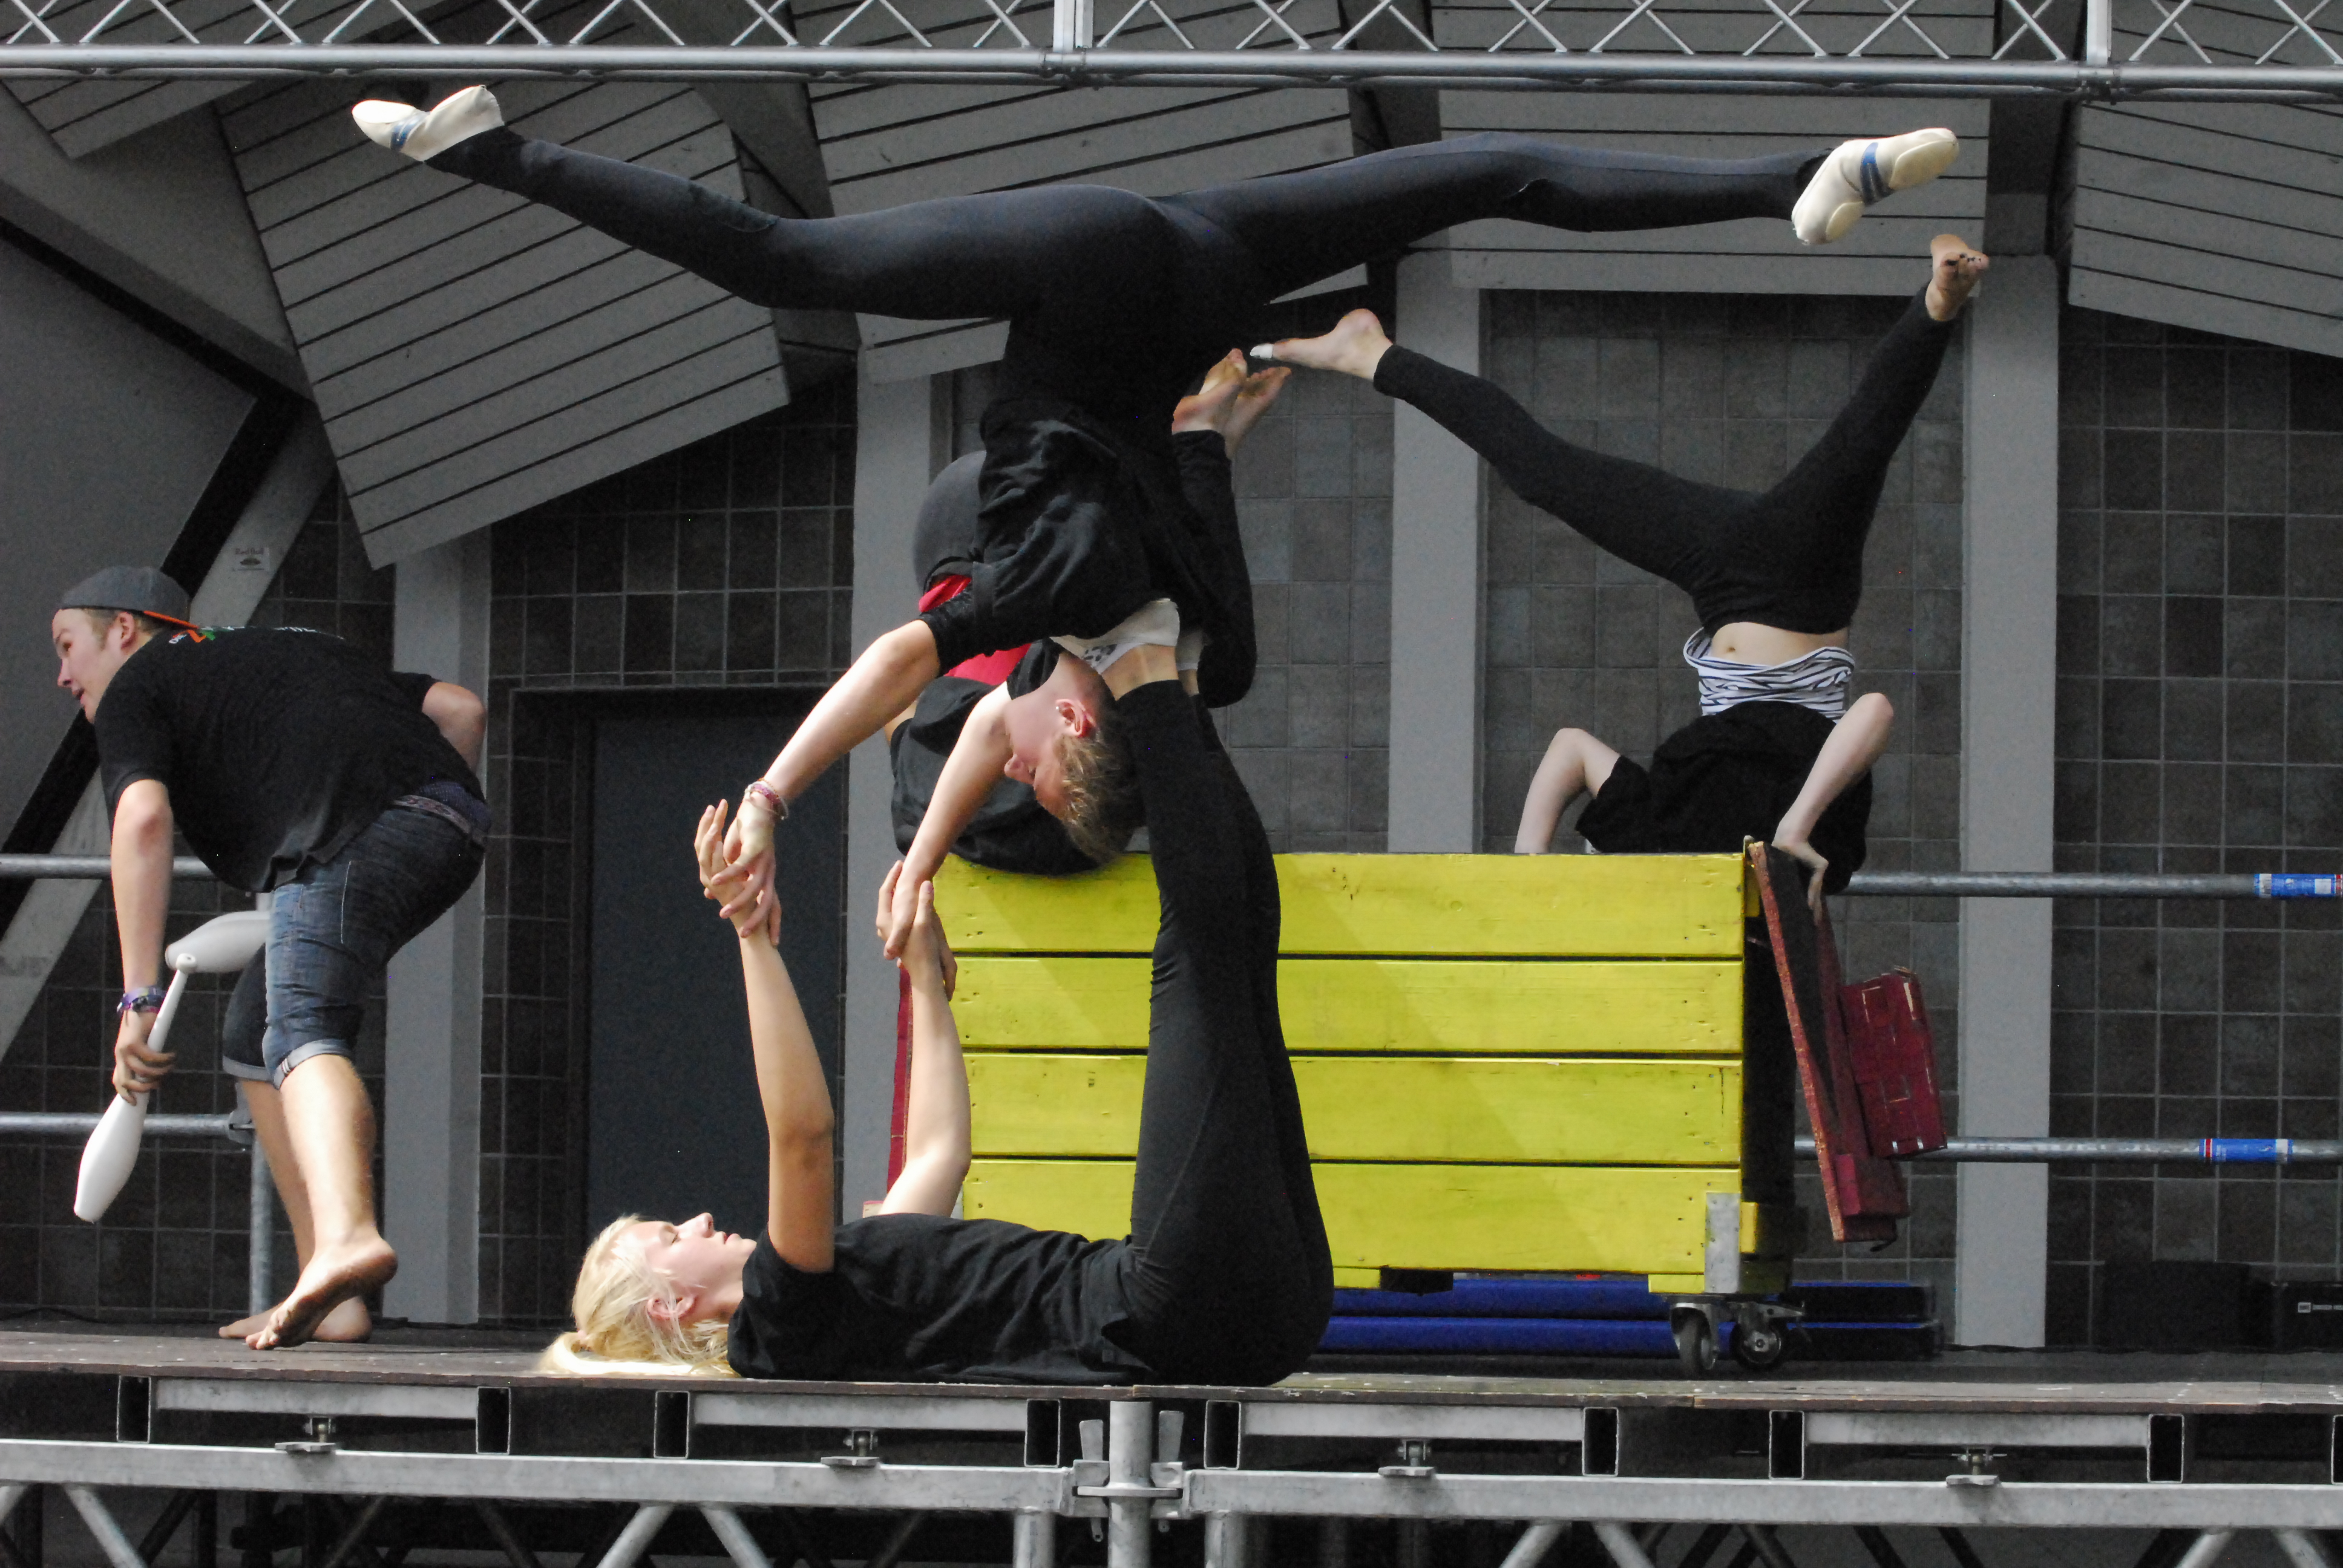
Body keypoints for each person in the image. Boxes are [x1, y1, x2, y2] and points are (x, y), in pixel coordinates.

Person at [350, 87, 1960, 932]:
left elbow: (1203, 451)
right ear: (1073, 735)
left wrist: (1235, 405)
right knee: (789, 264)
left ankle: (1793, 180)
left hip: (1209, 275)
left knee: (1491, 172)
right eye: (1032, 762)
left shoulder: (1211, 645)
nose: (1004, 746)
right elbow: (902, 672)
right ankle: (496, 155)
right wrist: (772, 793)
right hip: (1100, 273)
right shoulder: (1056, 588)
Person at [548, 636, 1328, 1384]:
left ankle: (1171, 676)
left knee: (1239, 947)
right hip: (1151, 1307)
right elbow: (803, 1137)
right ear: (670, 1304)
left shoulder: (834, 1297)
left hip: (1268, 1322)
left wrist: (925, 981)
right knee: (1199, 949)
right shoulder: (775, 1324)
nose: (695, 1220)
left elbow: (938, 1156)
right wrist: (749, 927)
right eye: (669, 1237)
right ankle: (1156, 674)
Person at [1259, 235, 1989, 911]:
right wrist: (1795, 826)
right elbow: (1873, 712)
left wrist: (1524, 874)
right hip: (1803, 582)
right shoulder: (1801, 857)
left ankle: (1372, 354)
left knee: (1543, 475)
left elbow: (1570, 749)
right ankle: (1938, 301)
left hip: (1719, 582)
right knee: (1862, 442)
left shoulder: (1652, 837)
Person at [51, 567, 490, 1348]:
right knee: (255, 1031)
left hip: (347, 832)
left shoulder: (135, 684)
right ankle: (332, 1290)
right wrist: (415, 820)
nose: (62, 675)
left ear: (124, 630)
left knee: (299, 1028)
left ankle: (348, 1235)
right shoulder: (295, 645)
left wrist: (139, 1000)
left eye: (66, 647)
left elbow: (142, 820)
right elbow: (461, 709)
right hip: (451, 820)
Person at [888, 351, 1288, 875]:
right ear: (1074, 719)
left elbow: (944, 714)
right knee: (1214, 661)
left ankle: (1200, 440)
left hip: (984, 531)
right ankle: (1199, 441)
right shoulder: (982, 770)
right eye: (1030, 769)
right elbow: (907, 709)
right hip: (1002, 521)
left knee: (1220, 665)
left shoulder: (1065, 713)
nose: (1012, 766)